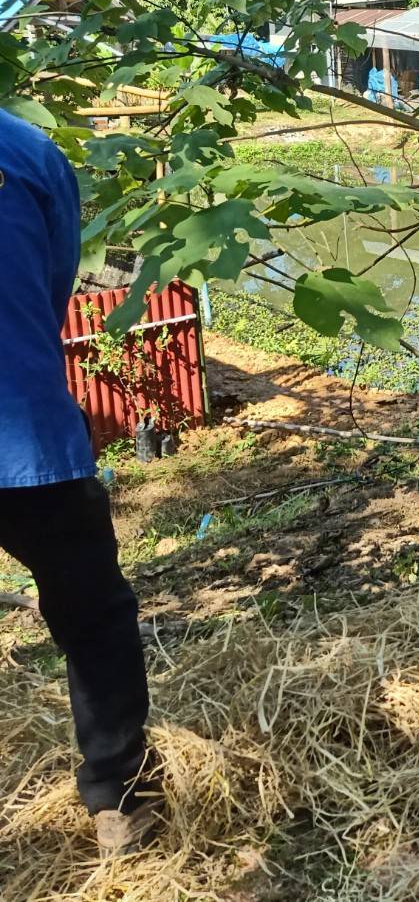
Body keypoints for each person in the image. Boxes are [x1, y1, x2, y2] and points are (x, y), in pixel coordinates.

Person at [0, 109, 161, 855]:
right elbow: (54, 282)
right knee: (93, 618)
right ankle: (119, 798)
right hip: (26, 432)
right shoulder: (27, 150)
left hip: (27, 433)